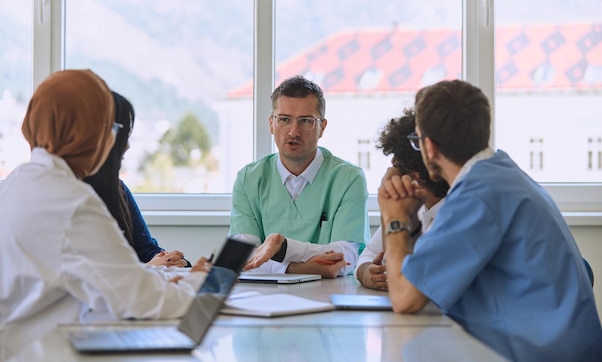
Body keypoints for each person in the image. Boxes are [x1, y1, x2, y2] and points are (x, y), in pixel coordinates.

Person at [0, 70, 209, 357]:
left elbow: (96, 279)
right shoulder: (69, 201)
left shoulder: (18, 181)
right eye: (109, 129)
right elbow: (142, 301)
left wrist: (162, 277)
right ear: (88, 132)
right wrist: (203, 283)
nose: (113, 141)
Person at [378, 79, 602, 361]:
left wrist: (394, 216)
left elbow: (405, 298)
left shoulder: (477, 195)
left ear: (430, 147)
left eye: (417, 140)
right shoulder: (500, 173)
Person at [229, 75, 370, 278]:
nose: (293, 132)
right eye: (284, 120)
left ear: (322, 127)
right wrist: (299, 268)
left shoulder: (349, 179)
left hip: (328, 296)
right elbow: (243, 258)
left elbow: (344, 258)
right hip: (263, 298)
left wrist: (282, 248)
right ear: (271, 124)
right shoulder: (248, 179)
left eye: (305, 121)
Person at [85, 91, 190, 267]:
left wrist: (171, 261)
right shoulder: (71, 197)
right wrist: (149, 268)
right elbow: (94, 277)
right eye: (122, 136)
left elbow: (146, 250)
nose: (127, 146)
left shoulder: (118, 190)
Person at [355, 109, 449, 291]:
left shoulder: (452, 216)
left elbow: (408, 286)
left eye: (395, 166)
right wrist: (367, 273)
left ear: (415, 175)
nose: (389, 173)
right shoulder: (417, 205)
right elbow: (369, 254)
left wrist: (388, 201)